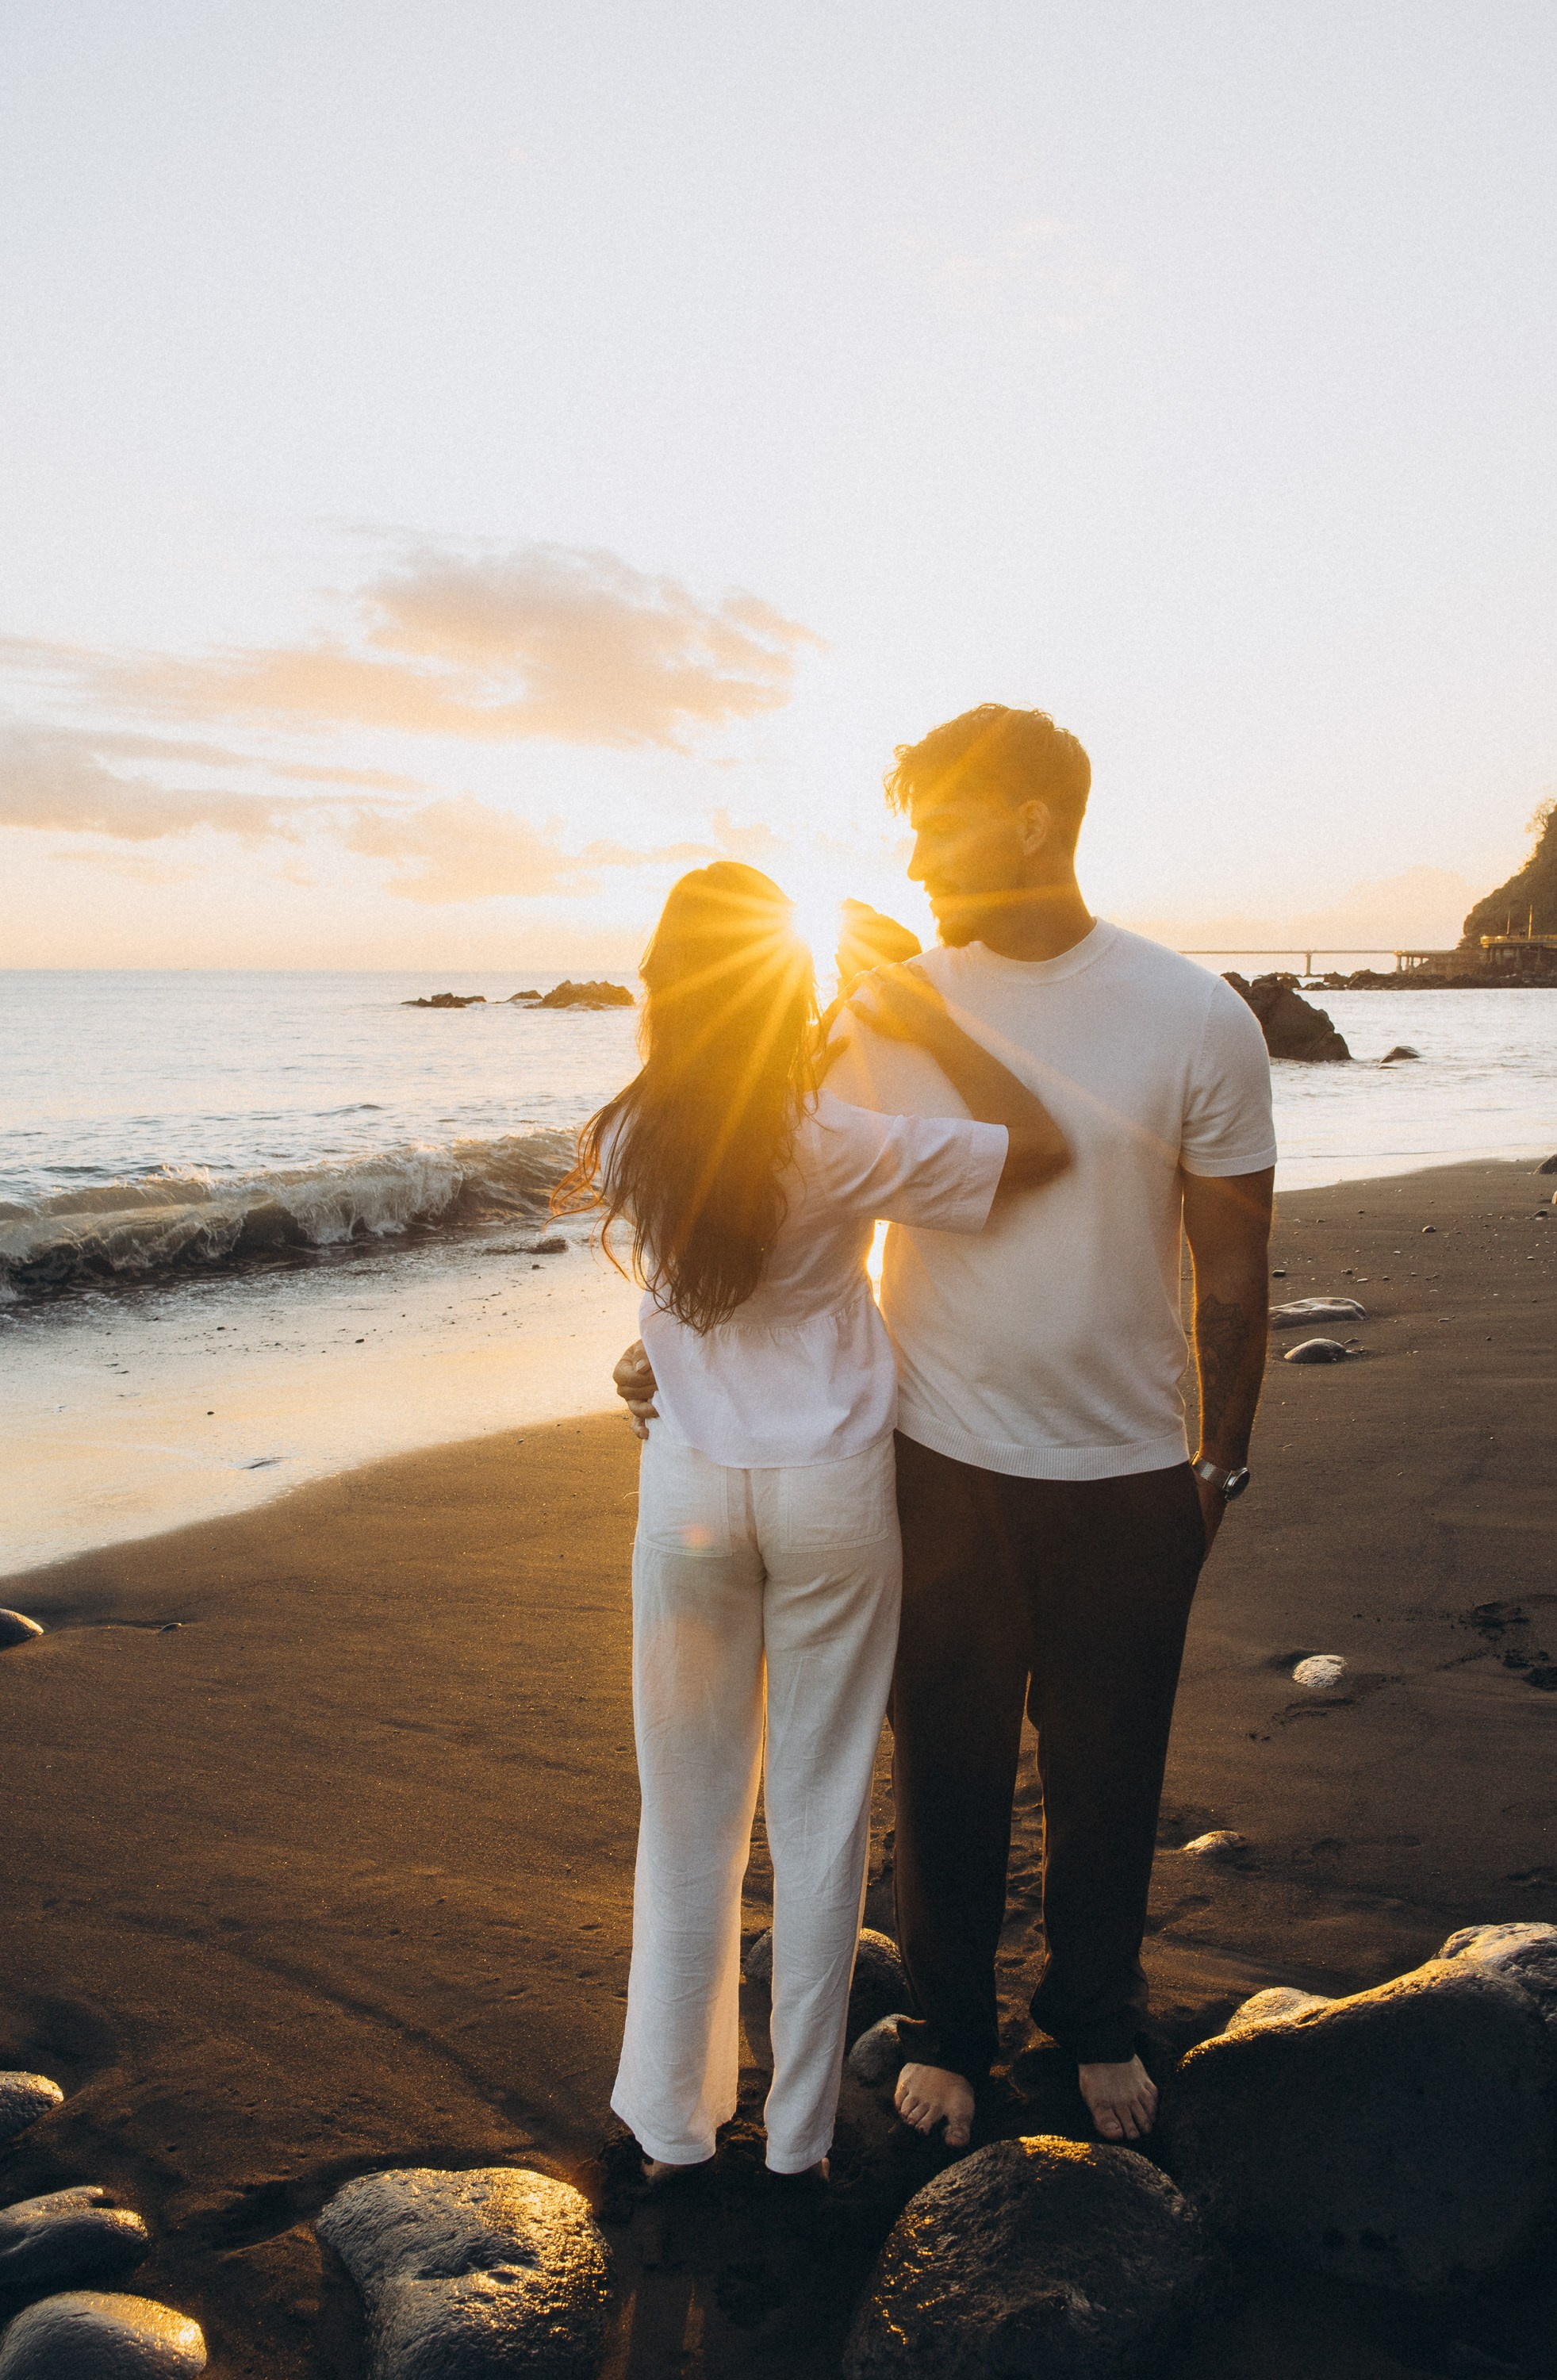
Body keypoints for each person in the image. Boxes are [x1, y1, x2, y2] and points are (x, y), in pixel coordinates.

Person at [614, 707, 1276, 2152]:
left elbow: (1236, 1271)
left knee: (1112, 1759)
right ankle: (950, 2026)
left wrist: (1220, 1458)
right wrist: (670, 1340)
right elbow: (776, 1201)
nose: (911, 855)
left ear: (1032, 819)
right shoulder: (877, 1000)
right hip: (932, 1448)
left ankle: (1095, 2010)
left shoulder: (1193, 1013)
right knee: (947, 1756)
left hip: (1123, 1461)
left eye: (935, 821)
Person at [556, 858, 1070, 2182]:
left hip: (690, 1492)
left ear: (663, 986)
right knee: (824, 1804)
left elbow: (672, 1305)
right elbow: (1046, 1147)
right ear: (786, 988)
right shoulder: (831, 1131)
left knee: (687, 1813)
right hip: (835, 1487)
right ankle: (791, 2138)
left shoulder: (627, 1133)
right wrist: (921, 1014)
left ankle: (672, 2123)